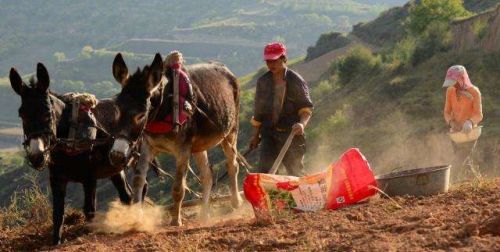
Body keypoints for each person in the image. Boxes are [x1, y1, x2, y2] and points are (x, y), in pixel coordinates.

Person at [249, 42, 313, 176]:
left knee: (295, 173)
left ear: (284, 58)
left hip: (291, 135)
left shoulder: (295, 80)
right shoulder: (263, 82)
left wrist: (302, 124)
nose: (270, 64)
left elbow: (305, 109)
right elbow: (258, 112)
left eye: (274, 60)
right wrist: (255, 136)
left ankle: (299, 195)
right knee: (266, 173)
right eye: (268, 61)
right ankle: (272, 197)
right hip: (269, 135)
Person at [442, 65, 483, 182]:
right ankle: (476, 181)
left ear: (462, 79)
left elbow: (479, 114)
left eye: (455, 82)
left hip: (470, 133)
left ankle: (450, 181)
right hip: (455, 134)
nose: (453, 85)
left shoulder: (475, 92)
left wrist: (470, 122)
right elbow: (446, 112)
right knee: (465, 159)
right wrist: (451, 122)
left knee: (460, 158)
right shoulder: (450, 91)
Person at [145, 51, 194, 134]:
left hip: (151, 125)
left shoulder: (163, 75)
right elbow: (190, 94)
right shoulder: (183, 75)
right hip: (176, 119)